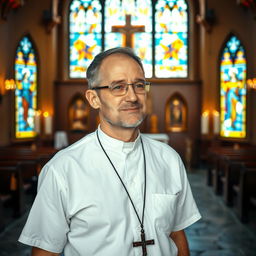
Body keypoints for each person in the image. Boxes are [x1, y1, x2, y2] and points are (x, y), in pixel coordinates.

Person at [19, 47, 201, 256]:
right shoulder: (62, 169)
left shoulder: (169, 159)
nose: (133, 96)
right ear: (93, 98)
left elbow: (177, 235)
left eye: (139, 85)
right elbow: (45, 252)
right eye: (118, 87)